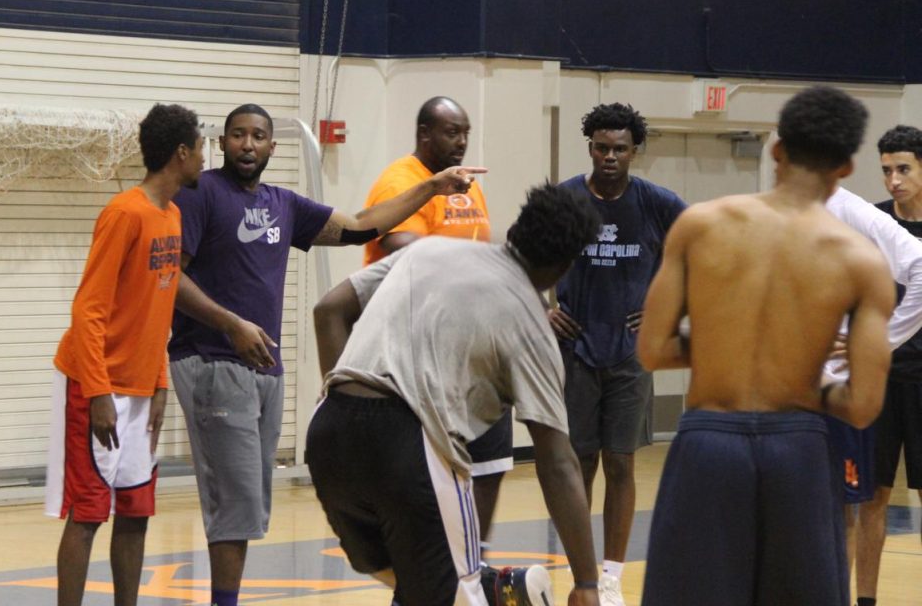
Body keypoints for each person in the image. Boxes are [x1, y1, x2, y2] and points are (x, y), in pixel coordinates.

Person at [169, 103, 487, 606]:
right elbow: (171, 278)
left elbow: (362, 225)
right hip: (212, 359)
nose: (247, 145)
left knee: (250, 505)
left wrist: (432, 186)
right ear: (222, 143)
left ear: (274, 147)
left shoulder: (283, 204)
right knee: (235, 502)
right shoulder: (201, 194)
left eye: (257, 136)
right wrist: (230, 325)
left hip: (263, 369)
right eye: (237, 136)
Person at [637, 86, 895, 606]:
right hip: (796, 447)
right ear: (845, 167)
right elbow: (863, 407)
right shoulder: (862, 262)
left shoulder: (700, 224)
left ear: (777, 150)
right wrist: (812, 374)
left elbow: (653, 349)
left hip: (709, 444)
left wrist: (719, 343)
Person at [308, 182, 603, 606]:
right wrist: (587, 583)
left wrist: (341, 408)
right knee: (458, 596)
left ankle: (488, 588)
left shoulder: (429, 250)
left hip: (329, 433)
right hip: (409, 444)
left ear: (517, 227)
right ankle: (490, 590)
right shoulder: (533, 325)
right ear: (566, 264)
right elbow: (557, 462)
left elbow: (328, 310)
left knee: (409, 582)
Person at [44, 103, 204, 606]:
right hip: (97, 385)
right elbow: (87, 309)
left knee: (136, 512)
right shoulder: (123, 212)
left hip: (140, 387)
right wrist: (97, 393)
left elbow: (156, 310)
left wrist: (158, 383)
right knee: (89, 513)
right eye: (202, 146)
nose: (206, 156)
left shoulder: (173, 214)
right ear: (181, 153)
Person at [547, 103, 686, 606]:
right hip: (576, 349)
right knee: (578, 463)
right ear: (590, 147)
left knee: (621, 464)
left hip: (631, 354)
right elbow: (520, 257)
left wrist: (665, 312)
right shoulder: (563, 199)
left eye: (620, 149)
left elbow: (703, 252)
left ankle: (610, 576)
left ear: (634, 152)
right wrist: (543, 307)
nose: (610, 156)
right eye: (602, 148)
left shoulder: (657, 203)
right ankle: (582, 572)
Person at [360, 96, 511, 553]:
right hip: (417, 348)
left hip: (470, 346)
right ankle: (426, 566)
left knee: (490, 459)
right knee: (428, 468)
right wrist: (482, 268)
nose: (461, 141)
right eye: (451, 132)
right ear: (424, 133)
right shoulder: (400, 182)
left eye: (465, 131)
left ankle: (475, 560)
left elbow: (479, 246)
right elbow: (405, 249)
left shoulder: (468, 185)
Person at [843, 124, 922, 606]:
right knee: (870, 498)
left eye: (904, 169)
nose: (894, 180)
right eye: (887, 170)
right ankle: (864, 600)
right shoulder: (873, 223)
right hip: (881, 379)